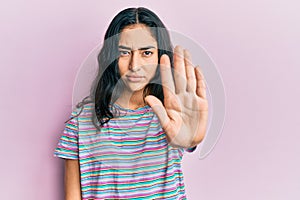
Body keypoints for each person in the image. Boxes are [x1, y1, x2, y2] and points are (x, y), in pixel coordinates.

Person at [54, 7, 208, 200]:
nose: (135, 66)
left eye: (146, 53)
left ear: (160, 55)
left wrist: (191, 139)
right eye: (125, 52)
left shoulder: (172, 115)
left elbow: (186, 136)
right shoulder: (81, 121)